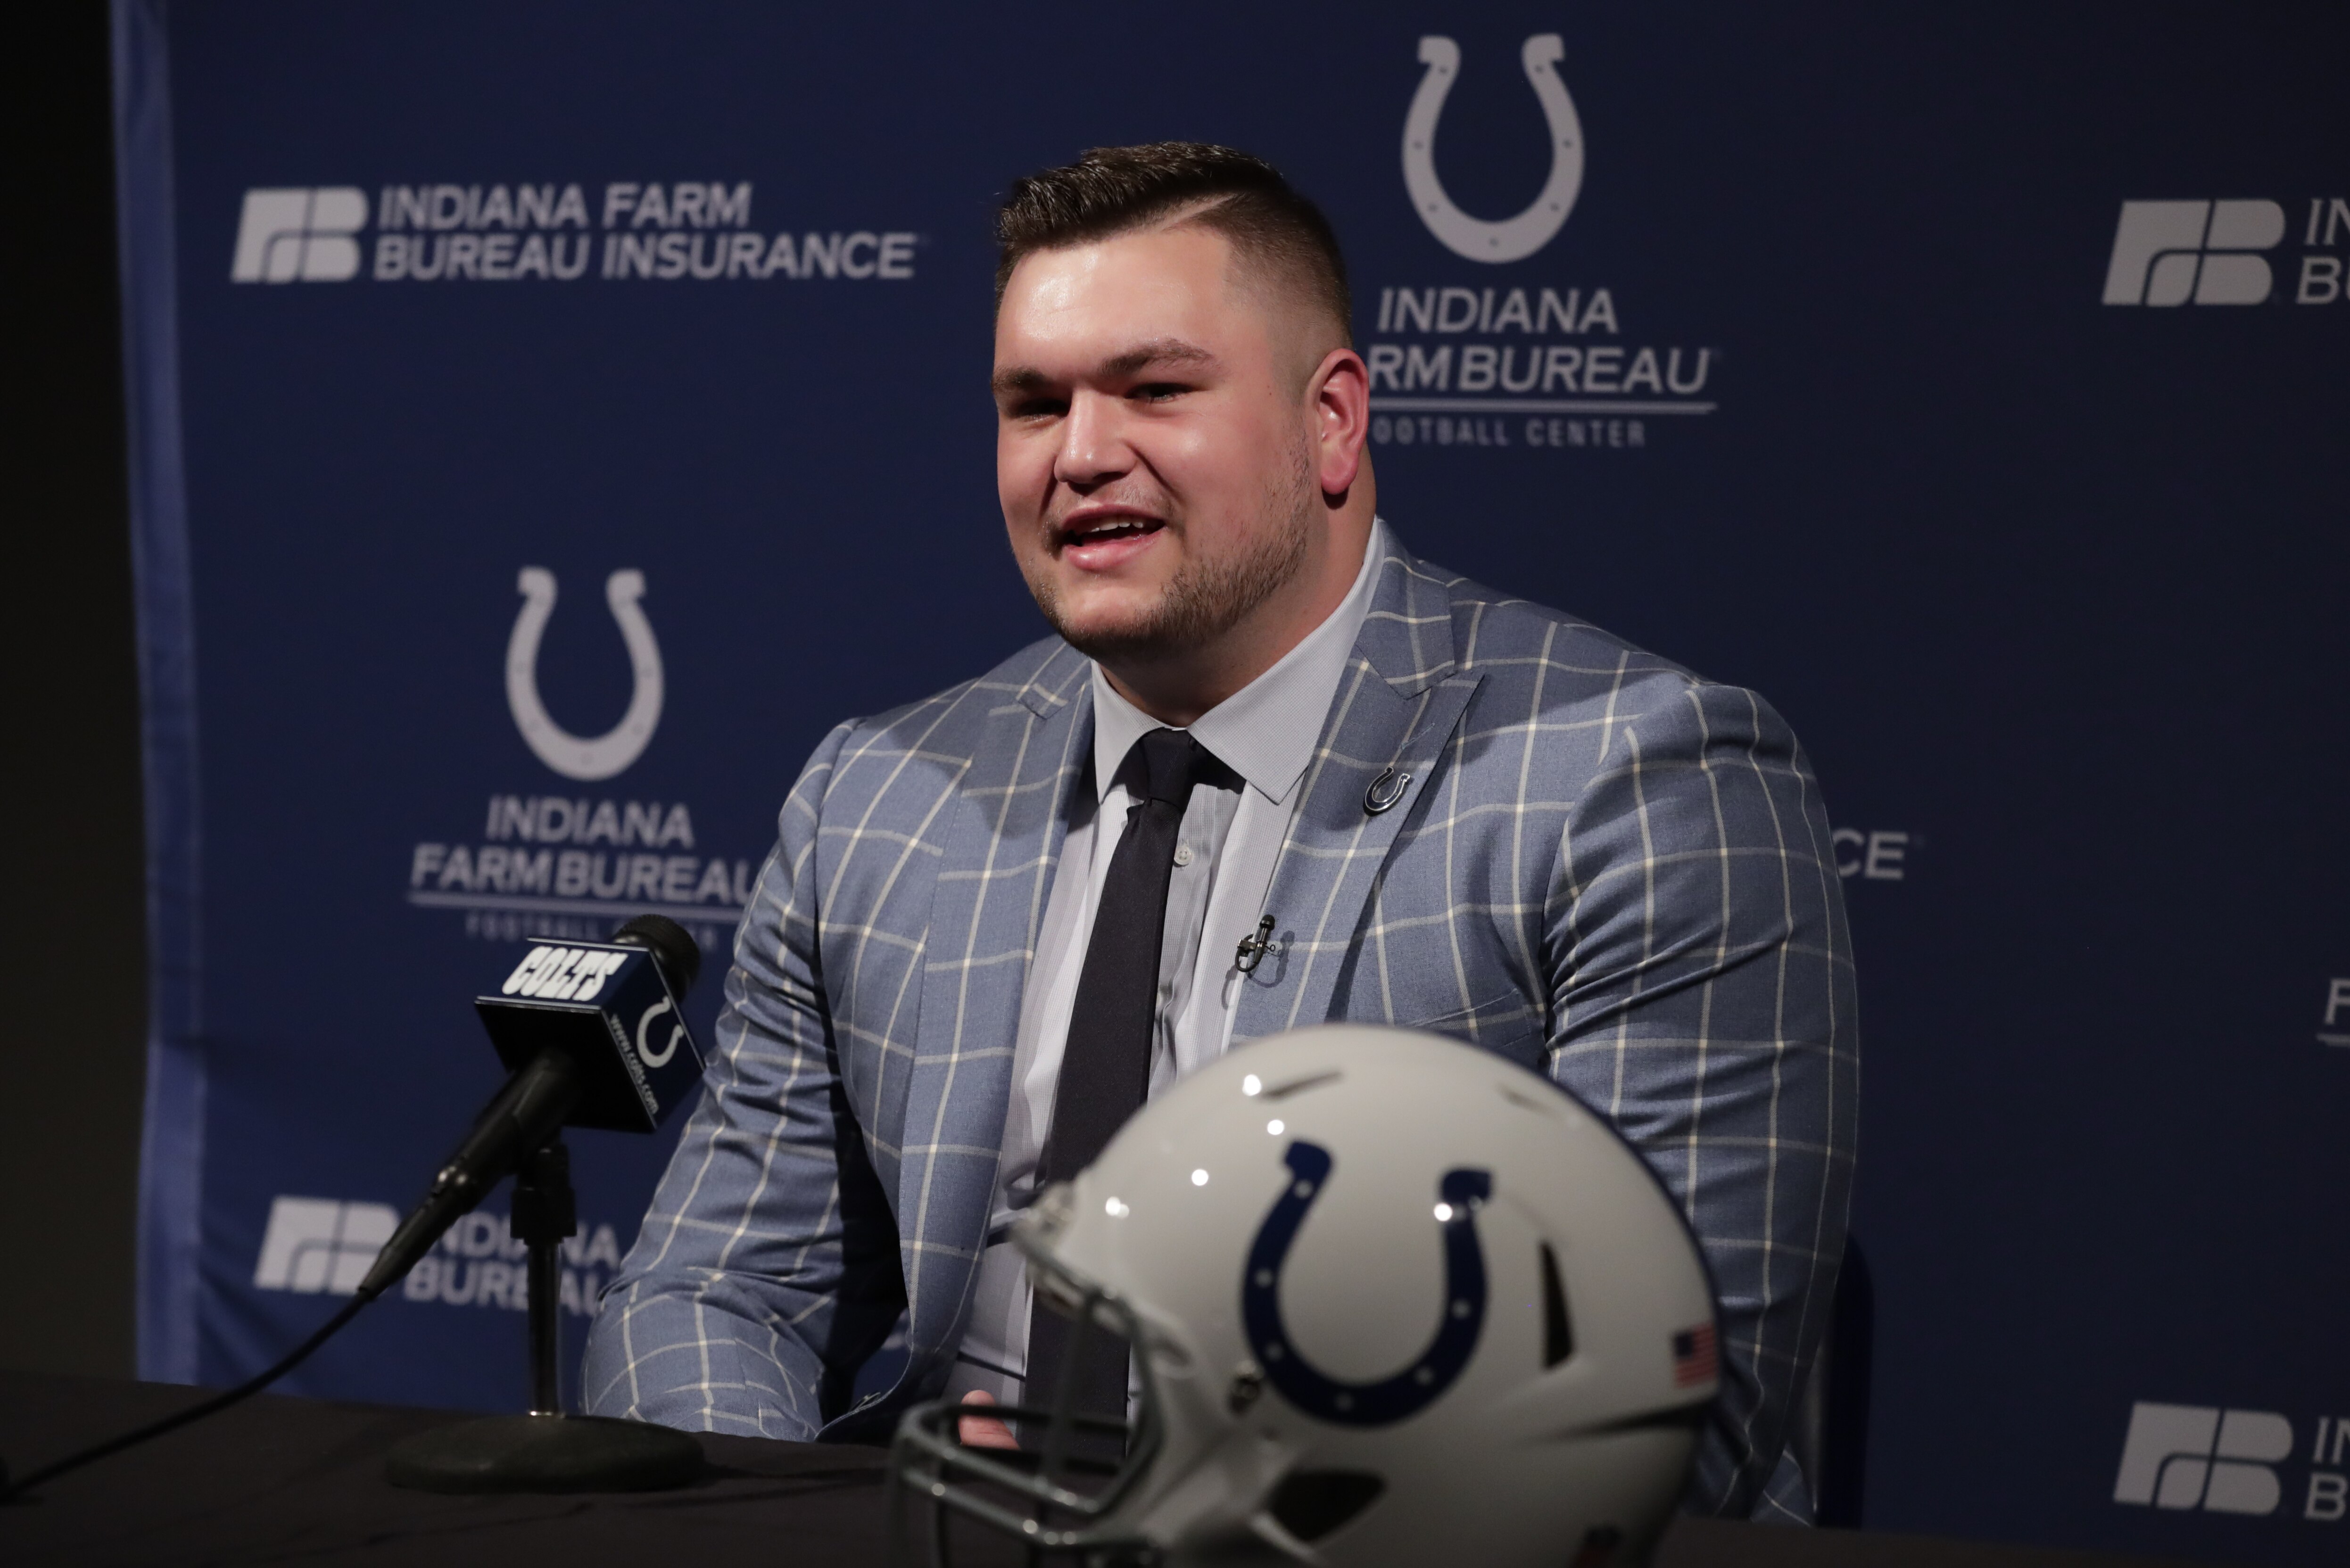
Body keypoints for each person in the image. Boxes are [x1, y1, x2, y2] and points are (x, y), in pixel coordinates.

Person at [582, 142, 1856, 1522]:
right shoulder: (880, 795)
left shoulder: (1637, 781)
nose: (1081, 455)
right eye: (1034, 404)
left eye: (1156, 389)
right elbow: (712, 1291)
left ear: (1333, 422)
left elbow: (1658, 1409)